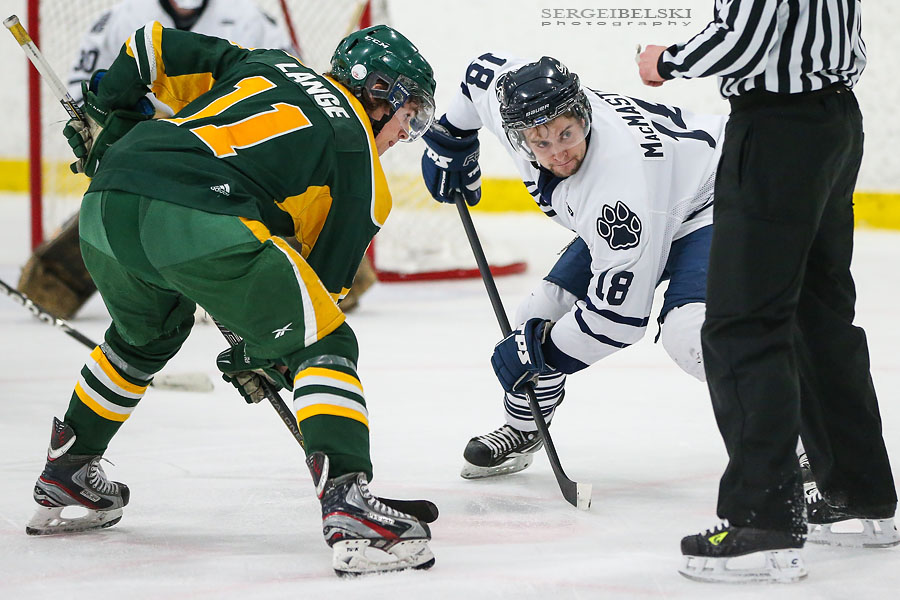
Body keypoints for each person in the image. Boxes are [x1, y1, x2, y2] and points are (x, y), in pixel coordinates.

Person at [27, 22, 439, 577]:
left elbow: (150, 46)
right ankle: (350, 504)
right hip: (199, 215)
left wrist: (114, 119)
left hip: (106, 201)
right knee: (325, 338)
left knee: (144, 335)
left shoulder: (266, 62)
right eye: (409, 117)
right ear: (378, 94)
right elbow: (315, 305)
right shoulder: (358, 165)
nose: (403, 135)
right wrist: (262, 353)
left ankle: (68, 469)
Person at [638, 0, 899, 583]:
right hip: (833, 121)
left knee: (742, 322)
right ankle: (860, 493)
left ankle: (761, 521)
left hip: (777, 132)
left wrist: (668, 61)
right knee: (820, 314)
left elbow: (746, 36)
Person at [420, 53, 725, 479]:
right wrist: (452, 136)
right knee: (535, 314)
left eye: (568, 134)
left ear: (584, 115)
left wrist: (542, 355)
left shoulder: (614, 189)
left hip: (719, 196)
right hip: (663, 191)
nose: (559, 153)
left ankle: (807, 437)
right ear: (518, 136)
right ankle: (525, 428)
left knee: (689, 332)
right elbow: (478, 76)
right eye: (541, 143)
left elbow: (618, 321)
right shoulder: (517, 103)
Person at [17, 0, 296, 319]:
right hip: (147, 157)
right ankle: (64, 275)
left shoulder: (255, 21)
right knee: (50, 290)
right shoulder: (120, 18)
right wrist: (104, 129)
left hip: (232, 153)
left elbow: (293, 96)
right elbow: (85, 89)